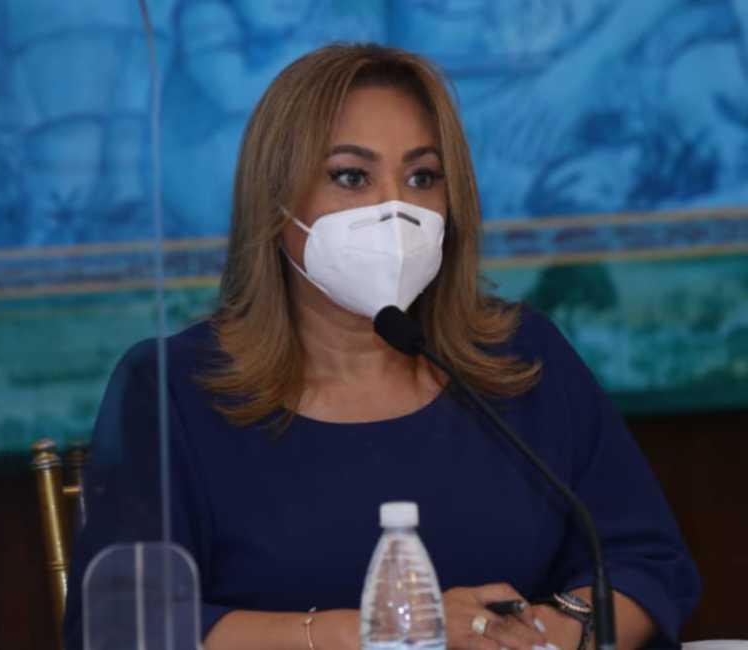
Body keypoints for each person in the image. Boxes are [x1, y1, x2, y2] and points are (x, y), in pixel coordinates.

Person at [64, 43, 700, 650]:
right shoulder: (171, 388)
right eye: (351, 176)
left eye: (423, 177)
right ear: (276, 201)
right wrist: (378, 634)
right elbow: (124, 626)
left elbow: (644, 561)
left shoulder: (522, 356)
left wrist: (553, 634)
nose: (395, 208)